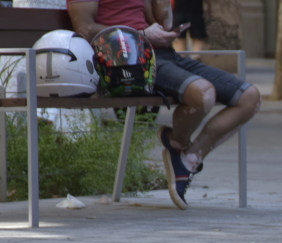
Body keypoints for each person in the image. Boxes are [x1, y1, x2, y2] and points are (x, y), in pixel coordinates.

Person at [67, 0, 260, 210]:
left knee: (249, 97)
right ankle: (177, 143)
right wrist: (141, 34)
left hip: (164, 54)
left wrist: (161, 19)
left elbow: (163, 23)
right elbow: (85, 29)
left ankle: (187, 158)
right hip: (129, 62)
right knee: (204, 94)